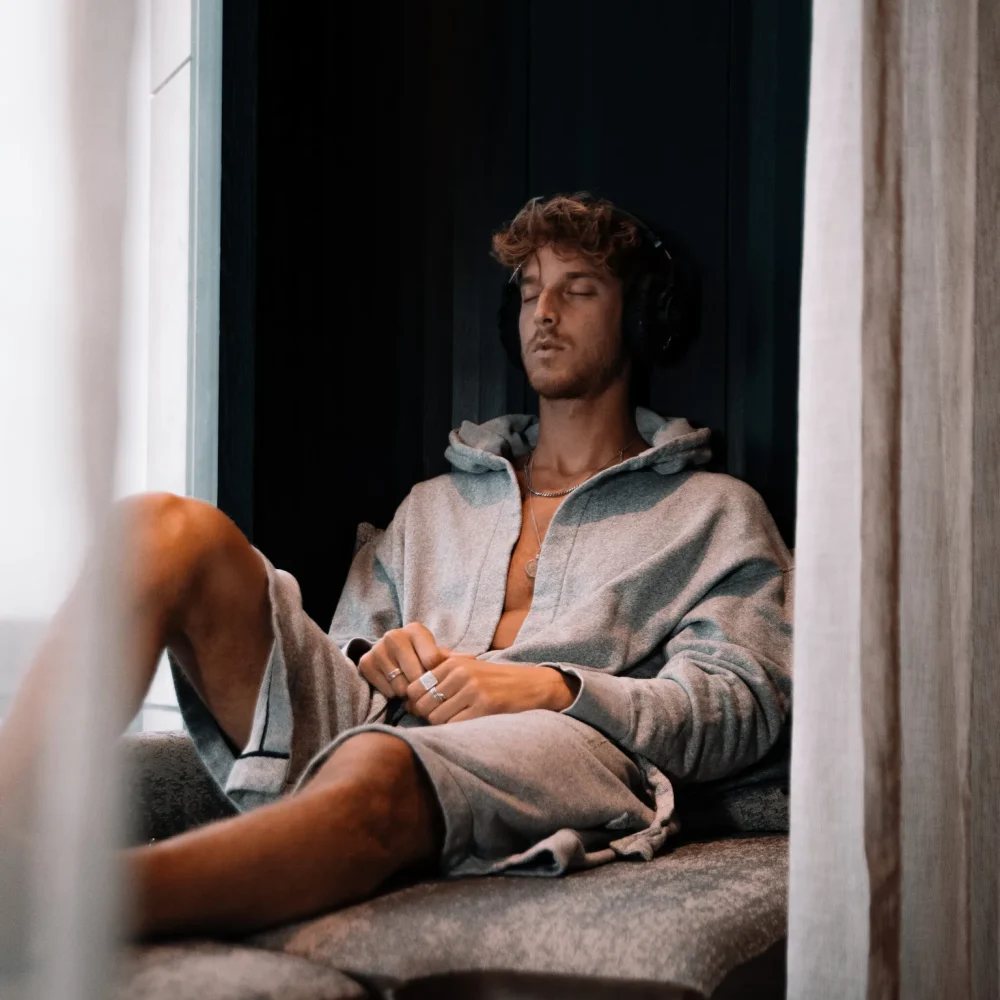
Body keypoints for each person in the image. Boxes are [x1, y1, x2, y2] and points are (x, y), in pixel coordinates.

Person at [3, 193, 793, 940]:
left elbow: (743, 707)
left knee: (382, 761)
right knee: (162, 528)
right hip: (377, 719)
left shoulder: (713, 512)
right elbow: (349, 647)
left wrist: (556, 687)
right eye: (528, 292)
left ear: (642, 317)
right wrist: (373, 655)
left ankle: (62, 912)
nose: (545, 313)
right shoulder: (433, 505)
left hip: (562, 749)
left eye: (578, 289)